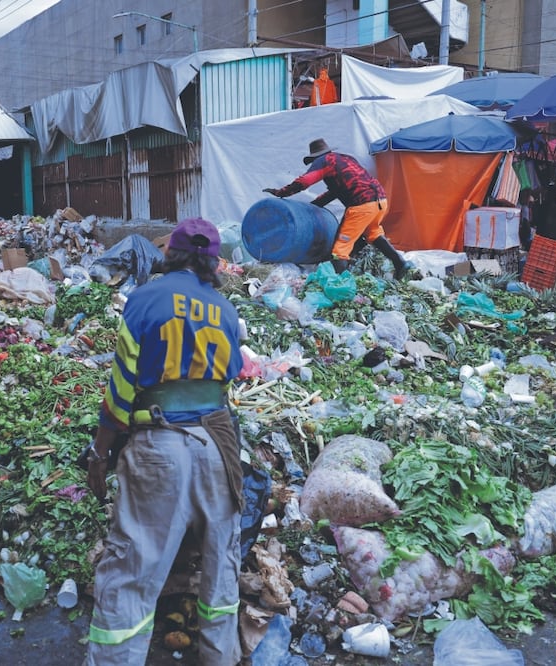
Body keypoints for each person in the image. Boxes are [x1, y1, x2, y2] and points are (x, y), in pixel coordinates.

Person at [85, 218, 245, 666]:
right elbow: (229, 379)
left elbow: (120, 390)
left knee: (133, 570)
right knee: (221, 567)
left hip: (159, 445)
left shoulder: (144, 299)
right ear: (214, 263)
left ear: (169, 253)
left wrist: (101, 451)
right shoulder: (226, 310)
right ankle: (221, 657)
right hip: (218, 445)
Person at [264, 138, 412, 279]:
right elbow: (336, 191)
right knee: (373, 233)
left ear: (316, 157)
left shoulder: (324, 161)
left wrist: (281, 192)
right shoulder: (346, 159)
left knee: (340, 249)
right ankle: (400, 263)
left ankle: (341, 284)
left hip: (362, 204)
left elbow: (304, 181)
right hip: (380, 201)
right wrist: (315, 205)